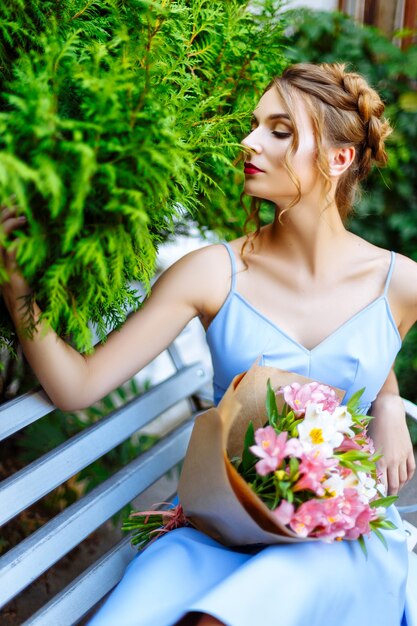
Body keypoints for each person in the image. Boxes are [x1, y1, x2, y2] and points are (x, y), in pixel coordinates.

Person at [1, 62, 417, 626]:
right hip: (221, 526)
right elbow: (78, 387)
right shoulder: (210, 274)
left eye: (280, 130)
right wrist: (15, 286)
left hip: (338, 537)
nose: (248, 142)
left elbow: (363, 345)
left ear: (338, 159)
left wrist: (388, 401)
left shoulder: (399, 284)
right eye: (254, 125)